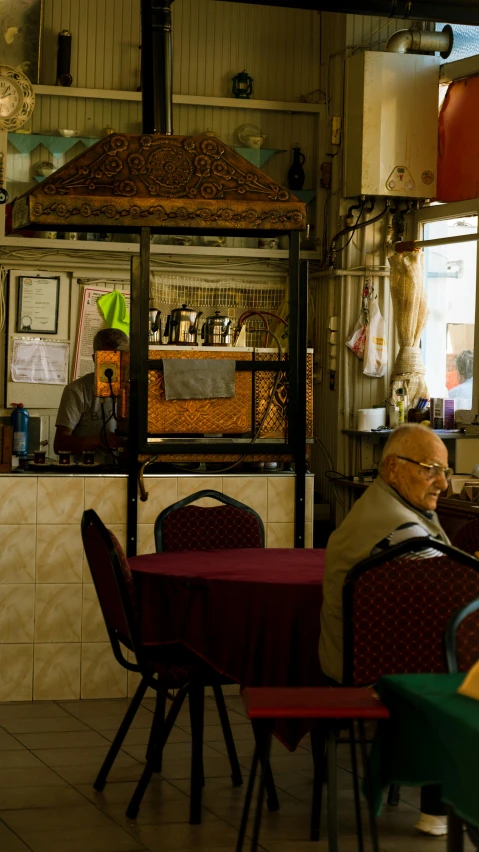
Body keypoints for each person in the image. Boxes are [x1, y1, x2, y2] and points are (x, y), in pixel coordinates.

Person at [319, 423, 452, 836]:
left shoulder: (382, 506)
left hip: (356, 661)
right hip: (380, 673)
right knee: (460, 674)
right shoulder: (402, 529)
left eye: (444, 471)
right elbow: (457, 595)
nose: (443, 484)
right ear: (394, 468)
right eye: (431, 469)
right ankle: (441, 804)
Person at [54, 328, 129, 462]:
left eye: (120, 358)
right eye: (108, 359)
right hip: (89, 473)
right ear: (95, 358)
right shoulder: (77, 390)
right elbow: (60, 445)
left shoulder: (135, 390)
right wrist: (99, 440)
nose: (115, 365)